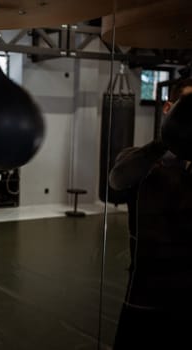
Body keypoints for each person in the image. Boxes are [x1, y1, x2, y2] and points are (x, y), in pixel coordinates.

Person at [109, 77, 192, 349]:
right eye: (187, 107)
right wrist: (166, 140)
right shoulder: (142, 159)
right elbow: (117, 180)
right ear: (169, 108)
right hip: (145, 296)